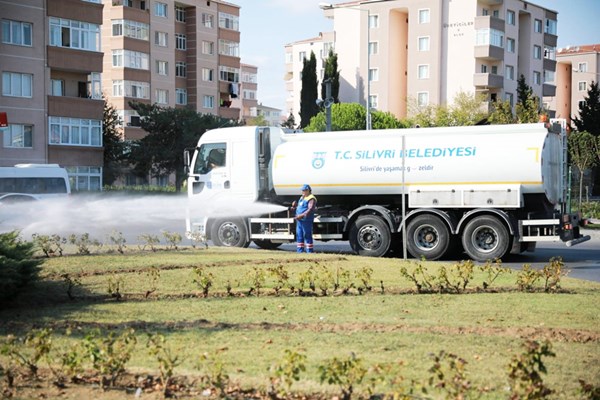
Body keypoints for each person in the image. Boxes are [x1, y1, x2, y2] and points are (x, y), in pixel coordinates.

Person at [291, 184, 317, 253]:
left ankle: (309, 251)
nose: (303, 192)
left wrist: (301, 215)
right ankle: (300, 251)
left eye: (305, 190)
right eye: (302, 190)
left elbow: (310, 209)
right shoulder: (302, 197)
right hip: (300, 220)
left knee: (307, 235)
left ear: (309, 190)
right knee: (299, 235)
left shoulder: (311, 198)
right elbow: (300, 207)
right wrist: (294, 206)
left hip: (306, 220)